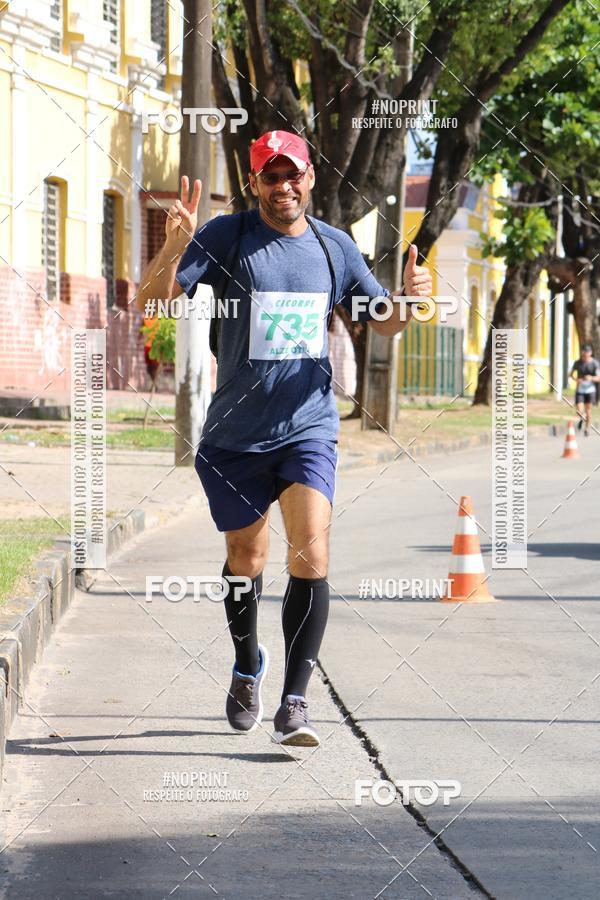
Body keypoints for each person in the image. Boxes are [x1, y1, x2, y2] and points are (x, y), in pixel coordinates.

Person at [136, 130, 432, 746]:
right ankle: (248, 665)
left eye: (292, 173)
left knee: (311, 555)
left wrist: (409, 301)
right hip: (235, 437)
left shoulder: (333, 247)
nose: (283, 186)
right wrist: (173, 247)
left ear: (310, 177)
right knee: (247, 560)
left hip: (308, 429)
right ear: (255, 184)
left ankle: (295, 701)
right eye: (270, 177)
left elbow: (383, 323)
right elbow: (152, 302)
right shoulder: (226, 236)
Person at [570, 344, 600, 436]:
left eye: (587, 352)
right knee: (579, 410)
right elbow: (570, 374)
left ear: (590, 353)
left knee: (588, 411)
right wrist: (576, 380)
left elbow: (598, 378)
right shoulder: (577, 363)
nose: (585, 354)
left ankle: (586, 429)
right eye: (584, 352)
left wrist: (591, 378)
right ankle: (581, 419)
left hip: (590, 390)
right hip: (580, 390)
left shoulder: (595, 363)